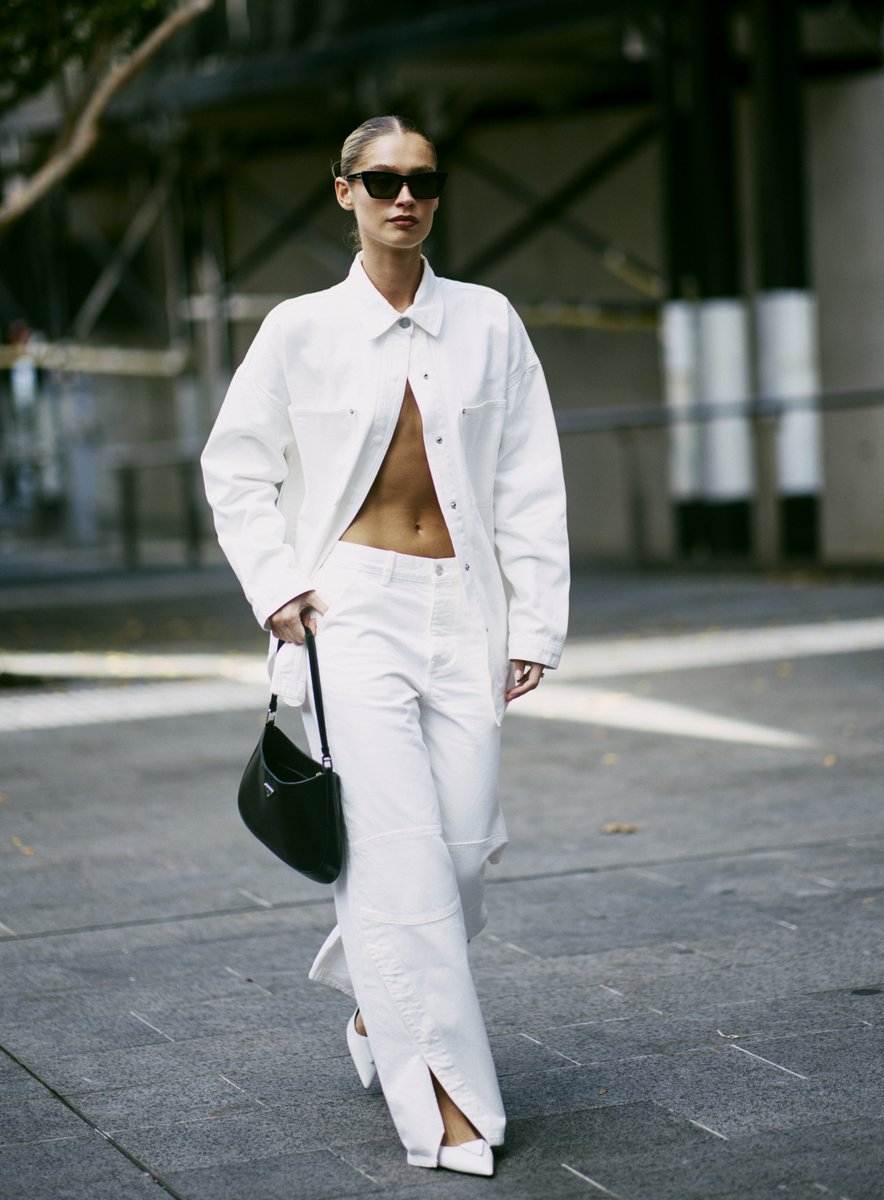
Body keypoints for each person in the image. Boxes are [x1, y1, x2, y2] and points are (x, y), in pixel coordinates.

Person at [201, 114, 569, 1177]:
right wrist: (278, 589)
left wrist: (535, 620)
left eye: (421, 180)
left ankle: (378, 1001)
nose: (403, 196)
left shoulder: (490, 321)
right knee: (401, 856)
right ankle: (448, 1108)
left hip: (466, 605)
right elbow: (237, 469)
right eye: (380, 180)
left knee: (463, 853)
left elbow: (529, 478)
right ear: (344, 193)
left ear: (437, 195)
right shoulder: (299, 329)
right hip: (350, 607)